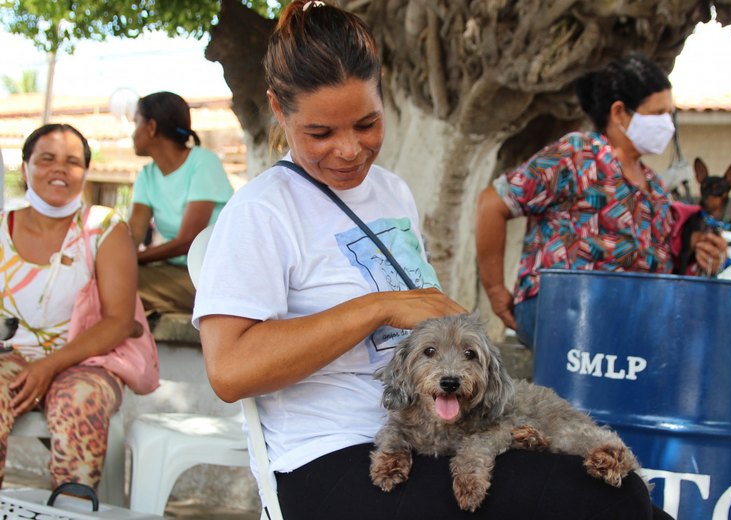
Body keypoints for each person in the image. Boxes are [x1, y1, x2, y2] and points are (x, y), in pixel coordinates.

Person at [194, 2, 672, 519]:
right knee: (608, 501)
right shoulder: (262, 209)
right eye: (320, 134)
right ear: (278, 110)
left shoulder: (393, 193)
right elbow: (229, 371)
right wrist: (379, 307)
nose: (350, 150)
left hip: (438, 437)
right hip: (334, 459)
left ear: (383, 91)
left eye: (366, 123)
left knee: (632, 498)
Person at [475, 53, 727, 348]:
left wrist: (703, 254)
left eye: (670, 114)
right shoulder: (579, 155)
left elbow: (664, 265)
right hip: (568, 315)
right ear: (620, 113)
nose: (667, 124)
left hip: (634, 325)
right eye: (658, 114)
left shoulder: (656, 189)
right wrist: (495, 291)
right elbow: (492, 204)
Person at [0, 124, 137, 489]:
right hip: (9, 356)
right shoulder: (2, 227)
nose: (59, 169)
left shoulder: (103, 228)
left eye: (72, 162)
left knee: (80, 400)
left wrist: (49, 366)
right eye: (47, 159)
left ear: (85, 172)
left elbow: (119, 321)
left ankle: (71, 507)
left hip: (86, 359)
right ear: (25, 165)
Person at [128, 91, 234, 315]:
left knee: (122, 286)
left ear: (152, 127)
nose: (132, 133)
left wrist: (134, 258)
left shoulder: (203, 162)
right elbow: (132, 234)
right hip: (174, 271)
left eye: (136, 122)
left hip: (211, 276)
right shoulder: (147, 175)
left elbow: (188, 240)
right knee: (108, 279)